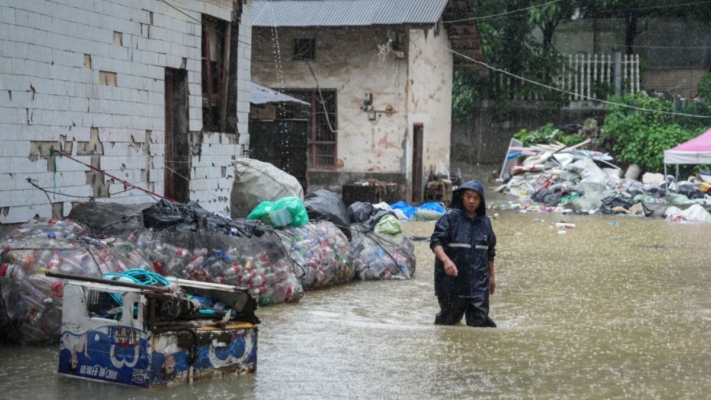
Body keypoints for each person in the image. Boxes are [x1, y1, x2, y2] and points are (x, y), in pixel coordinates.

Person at [430, 180, 497, 327]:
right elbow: (435, 242)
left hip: (479, 283)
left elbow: (490, 252)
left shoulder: (485, 222)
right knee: (449, 323)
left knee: (480, 325)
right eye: (468, 196)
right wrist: (446, 260)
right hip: (452, 283)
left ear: (481, 201)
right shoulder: (450, 218)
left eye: (476, 198)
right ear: (461, 197)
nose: (471, 201)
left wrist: (491, 277)